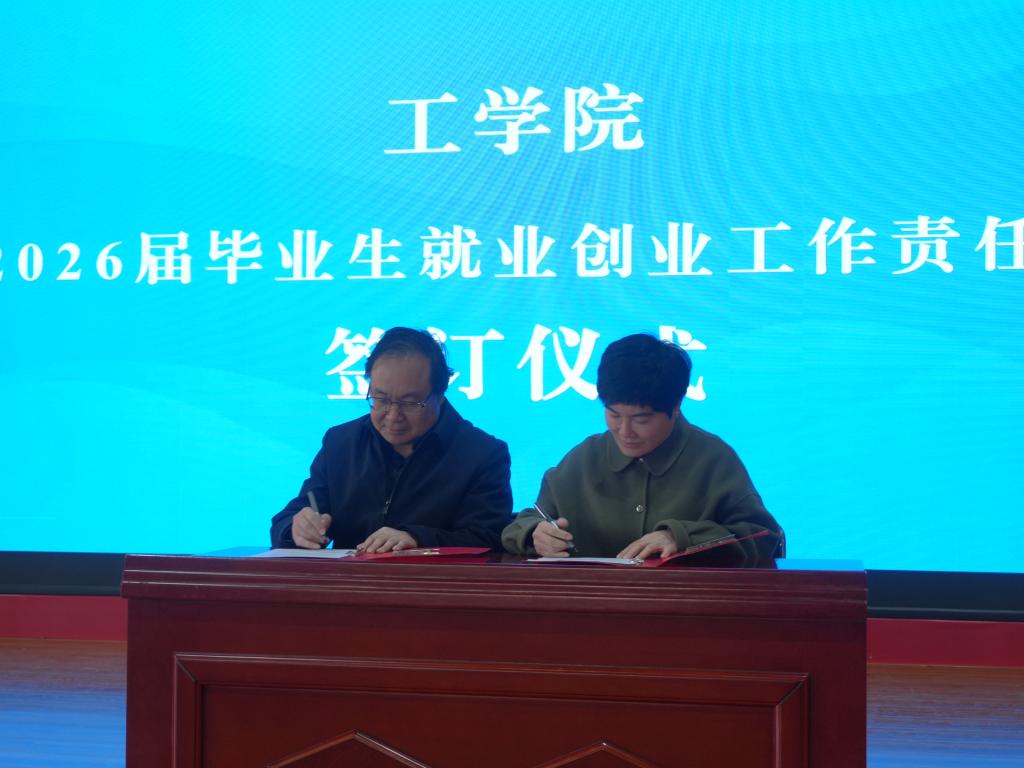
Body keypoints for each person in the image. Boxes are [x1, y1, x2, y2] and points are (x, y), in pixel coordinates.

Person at [501, 333, 783, 564]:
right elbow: (524, 521)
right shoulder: (584, 458)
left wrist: (681, 538)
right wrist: (535, 533)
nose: (625, 432)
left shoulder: (713, 459)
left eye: (641, 420)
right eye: (613, 415)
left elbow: (762, 537)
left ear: (675, 407)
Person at [271, 327, 513, 552]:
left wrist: (418, 539)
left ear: (440, 395)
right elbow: (301, 510)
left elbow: (488, 537)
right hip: (349, 580)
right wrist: (296, 528)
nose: (393, 415)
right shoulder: (341, 443)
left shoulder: (482, 454)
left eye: (410, 403)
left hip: (435, 582)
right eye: (381, 399)